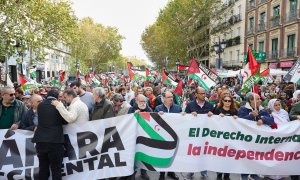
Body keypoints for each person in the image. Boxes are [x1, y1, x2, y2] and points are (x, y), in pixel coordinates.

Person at [238, 93, 275, 180]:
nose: (260, 101)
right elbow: (240, 121)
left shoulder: (263, 110)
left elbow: (271, 121)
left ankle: (254, 173)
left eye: (259, 99)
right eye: (257, 99)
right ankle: (244, 175)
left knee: (256, 155)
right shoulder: (243, 109)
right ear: (251, 100)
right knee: (246, 156)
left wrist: (263, 119)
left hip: (258, 138)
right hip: (247, 137)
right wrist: (251, 116)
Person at [32, 89, 67, 180]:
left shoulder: (40, 105)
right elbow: (65, 120)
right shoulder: (58, 105)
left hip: (40, 141)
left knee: (43, 168)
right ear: (56, 97)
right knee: (56, 169)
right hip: (55, 141)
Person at [185, 87, 213, 180]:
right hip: (194, 134)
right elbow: (184, 117)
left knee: (204, 153)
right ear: (196, 94)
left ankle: (204, 172)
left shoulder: (209, 105)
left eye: (204, 93)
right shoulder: (190, 105)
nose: (203, 95)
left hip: (205, 134)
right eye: (201, 93)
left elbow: (215, 120)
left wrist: (211, 114)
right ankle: (190, 171)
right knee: (192, 152)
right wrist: (190, 115)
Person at [154, 91, 180, 180]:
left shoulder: (177, 108)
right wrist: (158, 116)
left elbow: (182, 120)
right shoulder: (158, 108)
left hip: (174, 136)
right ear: (164, 98)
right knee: (163, 155)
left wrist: (184, 115)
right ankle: (162, 174)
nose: (171, 99)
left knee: (173, 154)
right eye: (169, 97)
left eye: (172, 97)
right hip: (162, 136)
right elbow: (154, 121)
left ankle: (171, 172)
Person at [128, 94, 152, 180]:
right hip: (135, 136)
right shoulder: (132, 109)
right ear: (137, 101)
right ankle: (133, 173)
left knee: (144, 155)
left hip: (145, 136)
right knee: (135, 156)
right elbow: (128, 121)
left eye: (145, 101)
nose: (143, 103)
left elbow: (153, 121)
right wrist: (134, 115)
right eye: (141, 101)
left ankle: (143, 172)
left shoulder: (149, 109)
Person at [214, 95, 237, 180]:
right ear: (222, 101)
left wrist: (236, 119)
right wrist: (217, 117)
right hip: (220, 137)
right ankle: (219, 175)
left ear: (231, 102)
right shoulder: (217, 110)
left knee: (229, 157)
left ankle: (227, 175)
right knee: (220, 157)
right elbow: (212, 120)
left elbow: (238, 123)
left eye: (229, 101)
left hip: (230, 137)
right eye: (226, 100)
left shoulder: (234, 111)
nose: (227, 102)